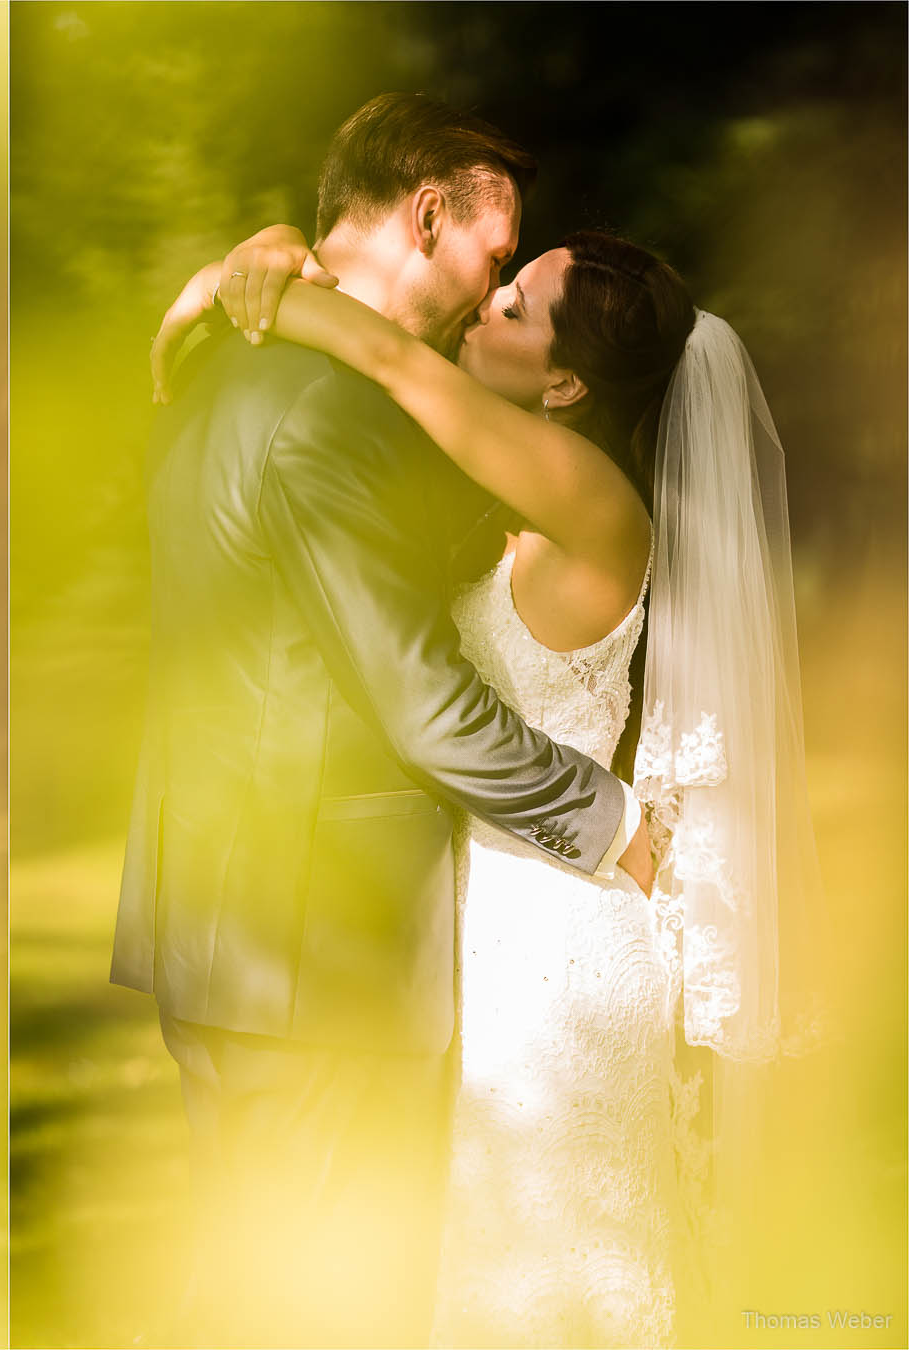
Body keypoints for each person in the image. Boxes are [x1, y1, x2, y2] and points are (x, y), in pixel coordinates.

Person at [153, 168, 824, 1350]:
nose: (482, 310)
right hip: (497, 926)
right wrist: (271, 246)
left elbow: (400, 364)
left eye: (513, 306)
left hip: (561, 939)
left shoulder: (588, 495)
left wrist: (240, 285)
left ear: (566, 380)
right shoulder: (519, 481)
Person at [109, 93, 658, 1348]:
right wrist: (605, 814)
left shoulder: (227, 360)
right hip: (317, 940)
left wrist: (250, 265)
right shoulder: (329, 410)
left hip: (229, 908)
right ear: (427, 211)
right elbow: (426, 705)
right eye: (491, 255)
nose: (493, 286)